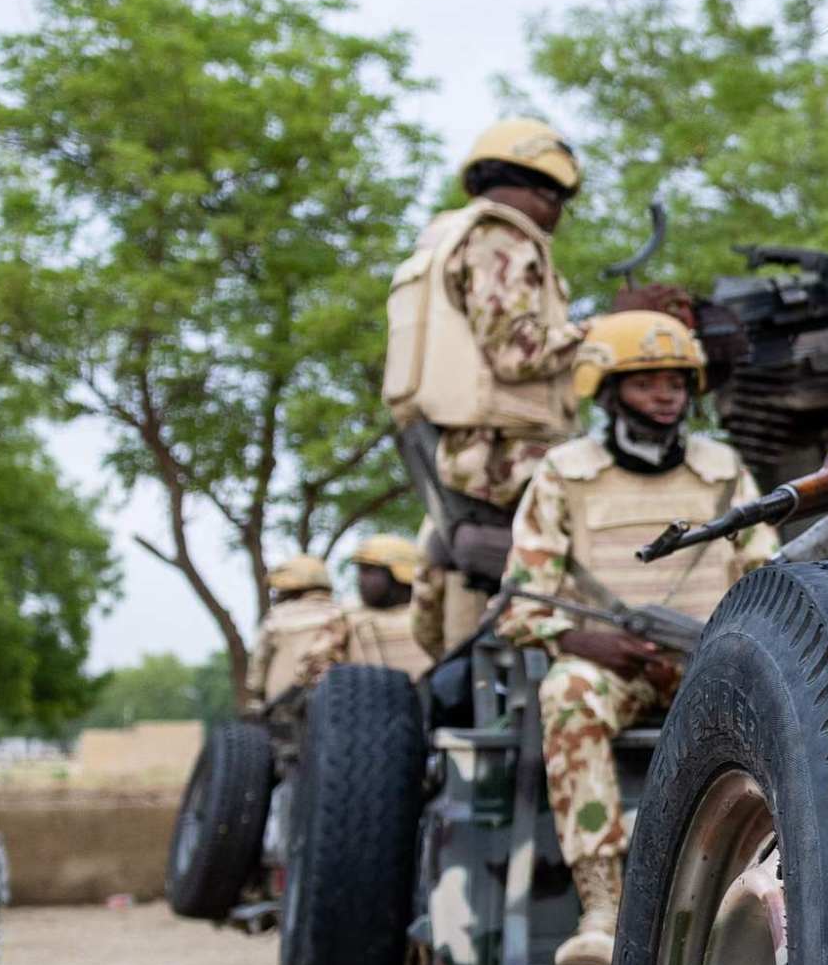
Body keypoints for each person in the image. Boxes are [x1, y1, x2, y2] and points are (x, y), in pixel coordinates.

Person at [487, 311, 775, 965]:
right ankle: (602, 909)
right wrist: (584, 640)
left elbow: (765, 582)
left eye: (676, 381)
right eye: (646, 382)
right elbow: (520, 600)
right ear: (608, 390)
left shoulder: (723, 471)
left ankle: (757, 901)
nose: (666, 394)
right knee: (567, 691)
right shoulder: (563, 473)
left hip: (710, 662)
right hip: (608, 664)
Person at [384, 117, 592, 662]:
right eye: (556, 199)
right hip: (508, 454)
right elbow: (516, 350)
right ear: (536, 187)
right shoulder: (504, 237)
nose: (557, 216)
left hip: (461, 452)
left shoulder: (445, 235)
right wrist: (604, 334)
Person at [245, 553, 349, 710]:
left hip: (284, 708)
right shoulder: (344, 614)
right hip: (342, 703)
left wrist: (257, 694)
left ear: (290, 588)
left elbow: (259, 663)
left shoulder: (276, 618)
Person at [340, 533, 433, 681]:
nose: (360, 579)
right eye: (360, 571)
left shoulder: (434, 616)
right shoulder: (343, 622)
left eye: (369, 570)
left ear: (400, 572)